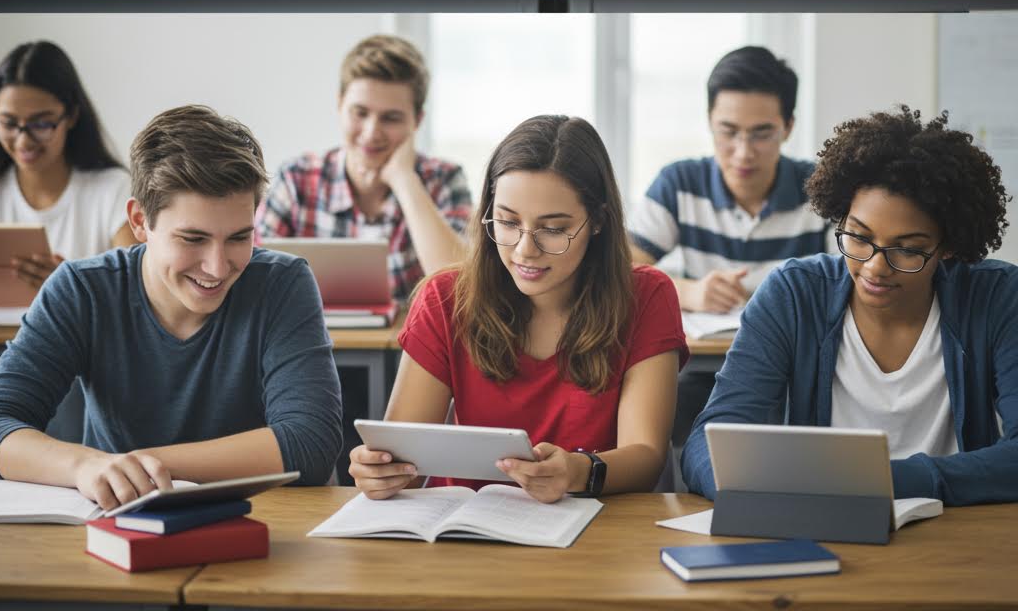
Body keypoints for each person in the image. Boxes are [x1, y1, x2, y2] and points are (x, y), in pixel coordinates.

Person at [0, 105, 342, 509]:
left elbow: (311, 444)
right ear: (140, 221)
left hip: (263, 526)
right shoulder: (80, 290)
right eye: (193, 239)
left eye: (238, 237)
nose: (217, 266)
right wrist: (83, 466)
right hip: (122, 526)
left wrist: (133, 467)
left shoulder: (283, 283)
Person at [682, 107, 1018, 506]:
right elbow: (710, 439)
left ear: (947, 247)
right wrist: (754, 486)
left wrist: (877, 481)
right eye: (858, 237)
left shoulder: (998, 297)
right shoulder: (793, 295)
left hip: (953, 531)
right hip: (823, 523)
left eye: (908, 249)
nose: (875, 267)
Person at [348, 114, 688, 503]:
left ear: (597, 222)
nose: (526, 249)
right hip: (463, 529)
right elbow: (403, 465)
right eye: (508, 222)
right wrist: (380, 472)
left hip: (594, 530)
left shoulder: (646, 295)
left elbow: (646, 457)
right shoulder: (444, 299)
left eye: (554, 229)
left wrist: (578, 471)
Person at [627, 46, 831, 448]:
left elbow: (852, 278)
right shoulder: (680, 183)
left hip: (799, 367)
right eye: (728, 131)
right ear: (709, 122)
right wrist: (690, 291)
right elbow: (620, 267)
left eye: (761, 133)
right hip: (708, 371)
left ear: (788, 127)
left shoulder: (822, 189)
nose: (743, 151)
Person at [255, 34, 471, 300]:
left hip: (403, 342)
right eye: (360, 113)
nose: (371, 133)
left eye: (391, 118)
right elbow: (252, 278)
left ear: (417, 120)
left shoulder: (445, 180)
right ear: (339, 105)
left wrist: (405, 180)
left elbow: (459, 284)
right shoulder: (296, 179)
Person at [0, 40, 134, 291]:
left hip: (81, 331)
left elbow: (137, 289)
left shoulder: (112, 189)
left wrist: (72, 288)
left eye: (41, 124)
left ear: (71, 116)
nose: (23, 140)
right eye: (9, 123)